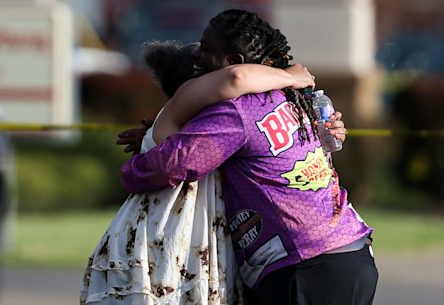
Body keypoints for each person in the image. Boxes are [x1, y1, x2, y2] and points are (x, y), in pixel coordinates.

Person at [121, 9, 378, 305]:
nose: (196, 57)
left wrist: (135, 166)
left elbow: (175, 164)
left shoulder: (237, 110)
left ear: (233, 62)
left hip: (303, 266)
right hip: (352, 254)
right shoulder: (291, 96)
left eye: (206, 49)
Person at [80, 38, 327, 305]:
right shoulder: (176, 116)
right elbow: (238, 76)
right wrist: (289, 75)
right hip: (159, 247)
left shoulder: (214, 130)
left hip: (186, 250)